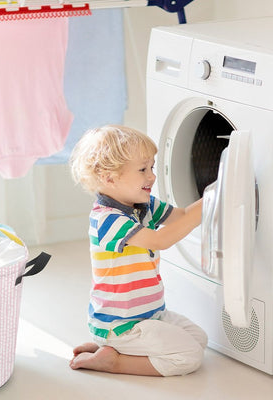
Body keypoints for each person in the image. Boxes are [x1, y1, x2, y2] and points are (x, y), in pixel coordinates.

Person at [69, 125, 207, 377]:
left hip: (151, 314)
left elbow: (182, 216)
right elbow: (159, 240)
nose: (152, 176)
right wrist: (210, 201)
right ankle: (113, 360)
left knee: (200, 339)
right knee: (189, 356)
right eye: (143, 169)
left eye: (151, 167)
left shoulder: (143, 205)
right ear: (109, 178)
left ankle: (111, 348)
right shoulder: (107, 219)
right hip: (121, 324)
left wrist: (214, 195)